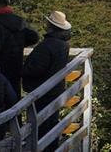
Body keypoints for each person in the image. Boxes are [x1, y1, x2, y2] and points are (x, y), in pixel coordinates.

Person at [22, 11, 73, 152]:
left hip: (42, 89)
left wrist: (23, 69)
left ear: (50, 25)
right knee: (51, 123)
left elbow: (37, 68)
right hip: (55, 89)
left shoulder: (47, 45)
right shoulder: (63, 44)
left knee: (40, 125)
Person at [0, 0, 39, 94]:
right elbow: (34, 37)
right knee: (15, 93)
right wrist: (21, 43)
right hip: (17, 64)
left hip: (0, 68)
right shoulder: (20, 21)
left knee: (1, 96)